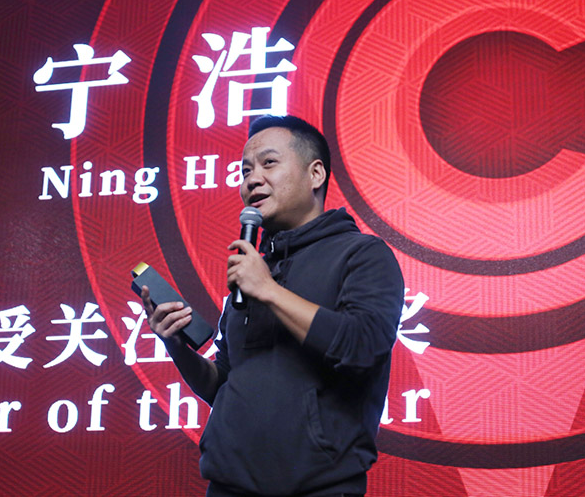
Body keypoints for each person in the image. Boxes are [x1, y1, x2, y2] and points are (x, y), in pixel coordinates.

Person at [141, 115, 404, 496]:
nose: (252, 179)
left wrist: (268, 290)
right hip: (229, 486)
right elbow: (224, 385)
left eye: (268, 163)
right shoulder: (254, 270)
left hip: (320, 488)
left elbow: (362, 346)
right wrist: (176, 346)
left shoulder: (362, 254)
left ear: (316, 174)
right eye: (245, 170)